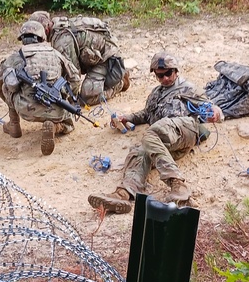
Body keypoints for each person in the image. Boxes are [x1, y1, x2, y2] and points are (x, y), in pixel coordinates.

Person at [87, 51, 223, 215]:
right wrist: (126, 118)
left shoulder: (188, 88)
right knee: (139, 151)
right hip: (162, 143)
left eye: (168, 73)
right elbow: (146, 114)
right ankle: (123, 194)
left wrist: (216, 112)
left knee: (152, 133)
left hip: (183, 130)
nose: (165, 78)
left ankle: (178, 183)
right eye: (160, 75)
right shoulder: (155, 94)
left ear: (175, 71)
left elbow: (210, 106)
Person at [0, 20, 83, 156]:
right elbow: (75, 78)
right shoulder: (56, 54)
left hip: (25, 110)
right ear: (42, 37)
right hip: (56, 109)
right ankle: (55, 126)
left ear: (22, 39)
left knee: (7, 85)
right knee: (69, 125)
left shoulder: (14, 58)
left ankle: (14, 124)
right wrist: (67, 99)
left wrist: (12, 99)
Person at [28, 10, 129, 105]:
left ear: (45, 30)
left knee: (86, 98)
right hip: (95, 56)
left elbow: (74, 75)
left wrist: (71, 99)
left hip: (107, 58)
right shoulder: (58, 26)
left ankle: (119, 83)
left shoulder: (62, 41)